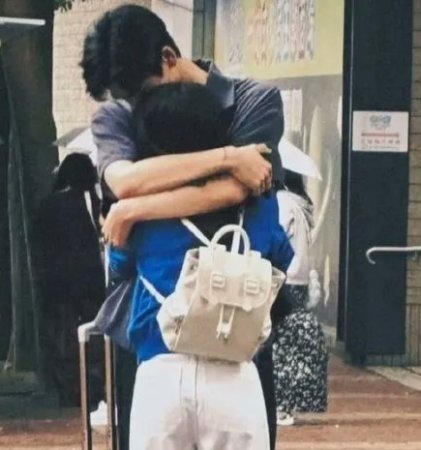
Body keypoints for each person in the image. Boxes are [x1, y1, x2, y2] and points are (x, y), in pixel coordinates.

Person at [80, 5, 286, 449]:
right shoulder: (116, 114)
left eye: (139, 93)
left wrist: (133, 212)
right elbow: (126, 180)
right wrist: (230, 156)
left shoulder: (254, 100)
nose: (133, 108)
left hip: (223, 343)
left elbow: (240, 190)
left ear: (169, 58)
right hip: (177, 352)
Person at [108, 81, 293, 449]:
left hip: (160, 372)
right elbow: (282, 257)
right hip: (233, 371)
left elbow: (118, 268)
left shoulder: (141, 213)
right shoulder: (257, 203)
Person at [34, 153, 104, 408]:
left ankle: (71, 391)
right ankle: (92, 389)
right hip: (86, 282)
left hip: (56, 285)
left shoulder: (48, 205)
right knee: (91, 337)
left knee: (63, 339)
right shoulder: (86, 202)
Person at [272, 170, 328, 426]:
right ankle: (285, 405)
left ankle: (279, 405)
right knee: (290, 345)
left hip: (286, 278)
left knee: (279, 345)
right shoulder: (301, 205)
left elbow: (278, 239)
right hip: (301, 280)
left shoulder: (282, 203)